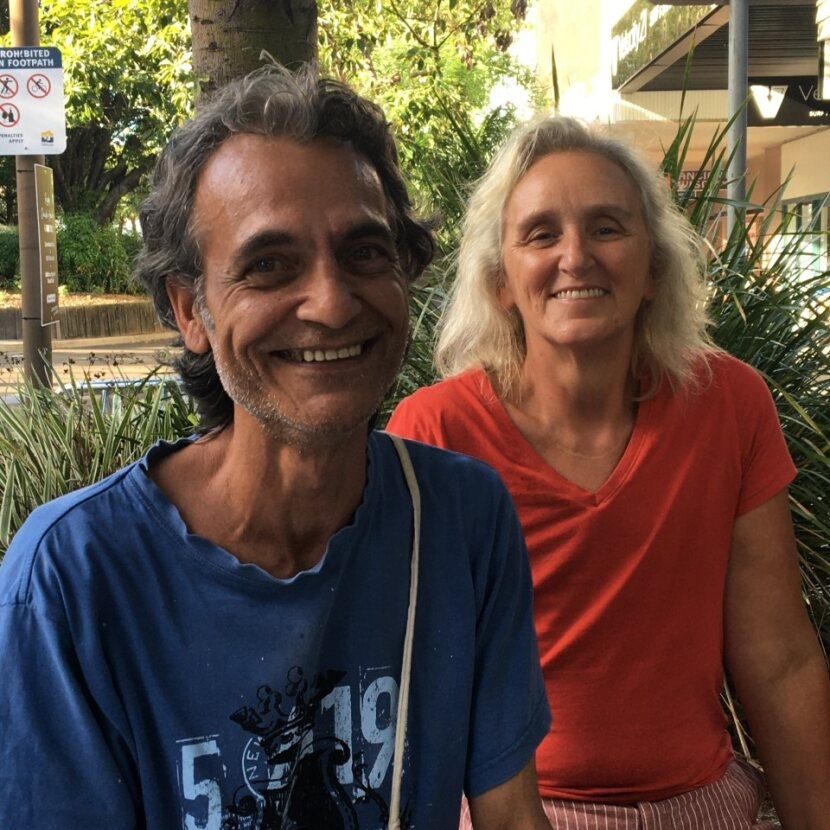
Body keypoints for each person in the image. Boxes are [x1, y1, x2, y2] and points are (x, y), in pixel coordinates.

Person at [0, 65, 552, 830]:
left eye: (365, 253)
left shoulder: (461, 521)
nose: (330, 303)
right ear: (192, 311)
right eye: (269, 265)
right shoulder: (73, 579)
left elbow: (512, 814)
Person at [388, 115, 830, 828]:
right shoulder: (435, 434)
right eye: (541, 234)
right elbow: (413, 684)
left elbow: (778, 658)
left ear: (655, 268)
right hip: (512, 811)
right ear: (501, 281)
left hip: (701, 807)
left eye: (607, 227)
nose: (575, 256)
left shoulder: (730, 406)